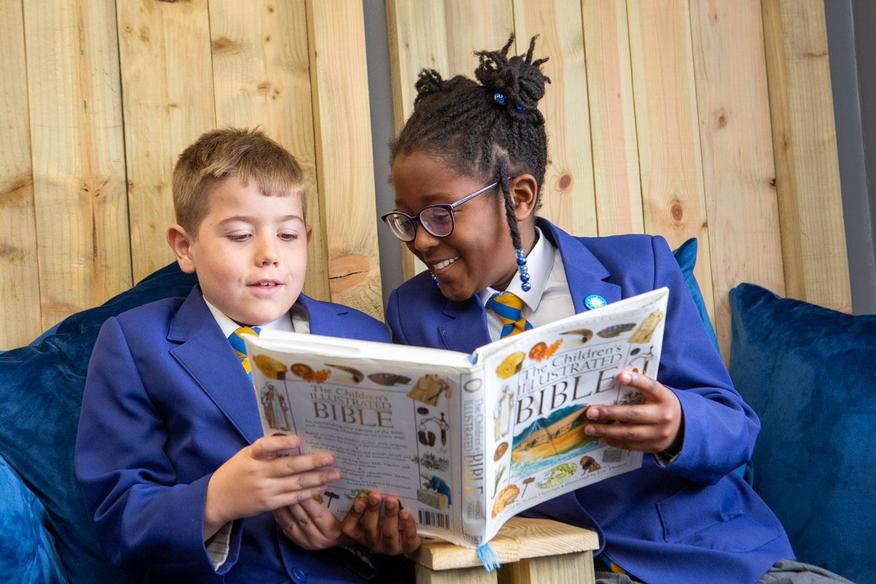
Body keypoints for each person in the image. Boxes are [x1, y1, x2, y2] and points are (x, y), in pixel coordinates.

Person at [379, 36, 849, 584]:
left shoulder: (637, 268)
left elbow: (734, 424)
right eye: (406, 219)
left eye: (439, 214)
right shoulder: (413, 313)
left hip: (700, 552)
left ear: (521, 197)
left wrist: (676, 422)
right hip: (553, 564)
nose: (420, 240)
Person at [75, 128, 418, 583]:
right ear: (185, 247)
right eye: (239, 235)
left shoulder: (367, 335)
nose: (269, 255)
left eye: (288, 234)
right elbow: (119, 518)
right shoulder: (135, 343)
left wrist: (362, 535)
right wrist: (217, 498)